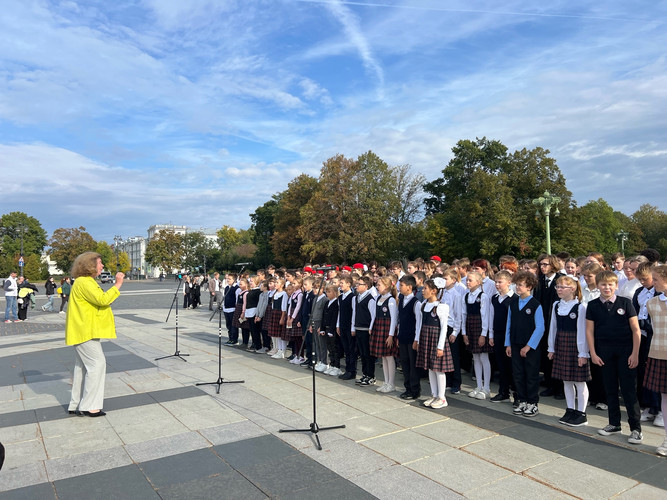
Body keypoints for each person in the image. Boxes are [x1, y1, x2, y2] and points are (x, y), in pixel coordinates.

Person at [586, 270, 643, 444]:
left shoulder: (625, 303)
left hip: (626, 351)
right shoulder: (593, 305)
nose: (607, 287)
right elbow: (589, 331)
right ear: (598, 286)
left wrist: (635, 353)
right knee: (609, 388)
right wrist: (593, 353)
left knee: (628, 391)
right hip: (604, 352)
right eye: (603, 284)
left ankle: (636, 429)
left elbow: (635, 330)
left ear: (616, 286)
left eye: (610, 284)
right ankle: (614, 423)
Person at [66, 252, 124, 417]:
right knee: (97, 365)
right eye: (100, 263)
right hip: (85, 331)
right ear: (90, 265)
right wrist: (118, 284)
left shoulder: (82, 282)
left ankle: (75, 403)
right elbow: (103, 300)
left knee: (82, 367)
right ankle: (89, 406)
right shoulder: (85, 282)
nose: (102, 266)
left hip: (83, 330)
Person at [547, 275, 590, 426]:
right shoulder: (556, 305)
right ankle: (570, 409)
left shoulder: (580, 307)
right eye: (557, 287)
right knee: (566, 379)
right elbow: (553, 327)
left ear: (572, 288)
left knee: (579, 381)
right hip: (561, 343)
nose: (558, 289)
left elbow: (582, 331)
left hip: (575, 345)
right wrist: (551, 347)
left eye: (562, 287)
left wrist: (583, 353)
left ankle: (581, 413)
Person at [505, 271, 545, 417]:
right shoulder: (513, 303)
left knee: (531, 374)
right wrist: (508, 343)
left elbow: (540, 327)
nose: (517, 287)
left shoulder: (535, 305)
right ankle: (521, 399)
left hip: (530, 347)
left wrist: (528, 346)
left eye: (521, 285)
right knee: (518, 373)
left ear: (529, 287)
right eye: (517, 284)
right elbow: (509, 323)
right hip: (515, 343)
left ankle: (532, 402)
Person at [414, 278, 453, 409]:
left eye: (425, 288)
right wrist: (417, 339)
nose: (423, 291)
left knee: (439, 369)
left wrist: (440, 346)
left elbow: (444, 328)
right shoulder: (424, 305)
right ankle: (434, 394)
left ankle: (442, 397)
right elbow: (420, 324)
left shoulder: (441, 307)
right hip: (426, 338)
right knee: (430, 367)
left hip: (436, 339)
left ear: (434, 291)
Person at [644, 265, 667, 456]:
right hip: (659, 354)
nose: (653, 282)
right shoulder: (651, 303)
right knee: (665, 398)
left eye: (656, 279)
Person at [462, 271, 492, 400]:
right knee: (475, 358)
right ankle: (478, 386)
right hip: (470, 328)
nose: (468, 282)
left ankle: (486, 388)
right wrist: (464, 332)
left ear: (478, 282)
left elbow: (485, 316)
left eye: (470, 280)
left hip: (480, 328)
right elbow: (464, 315)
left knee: (484, 358)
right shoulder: (466, 296)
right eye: (467, 280)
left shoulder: (483, 296)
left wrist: (483, 334)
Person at [488, 270, 517, 403]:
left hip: (510, 336)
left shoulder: (514, 299)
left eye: (500, 282)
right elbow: (491, 316)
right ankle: (503, 392)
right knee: (502, 365)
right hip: (498, 334)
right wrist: (491, 334)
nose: (497, 284)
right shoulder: (495, 298)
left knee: (512, 366)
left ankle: (518, 395)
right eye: (496, 282)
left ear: (509, 283)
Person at [370, 276, 398, 393]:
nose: (377, 287)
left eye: (379, 285)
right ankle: (386, 382)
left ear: (386, 287)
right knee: (383, 357)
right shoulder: (378, 298)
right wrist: (371, 327)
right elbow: (374, 315)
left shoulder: (391, 300)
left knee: (389, 356)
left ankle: (391, 383)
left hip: (387, 330)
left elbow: (393, 319)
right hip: (379, 327)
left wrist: (391, 335)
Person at [397, 275, 423, 399]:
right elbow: (400, 320)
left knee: (413, 365)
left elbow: (418, 323)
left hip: (412, 338)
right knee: (405, 363)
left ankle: (414, 389)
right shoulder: (401, 299)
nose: (399, 287)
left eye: (401, 285)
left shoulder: (416, 303)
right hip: (402, 336)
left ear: (409, 287)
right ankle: (407, 388)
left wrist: (416, 339)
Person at [352, 276, 376, 386]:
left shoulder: (370, 299)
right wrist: (353, 327)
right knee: (362, 353)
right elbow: (354, 313)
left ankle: (371, 375)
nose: (357, 286)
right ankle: (365, 374)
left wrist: (370, 328)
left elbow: (373, 315)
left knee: (367, 354)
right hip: (358, 328)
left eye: (359, 284)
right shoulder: (357, 297)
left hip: (366, 329)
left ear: (366, 286)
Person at [337, 276, 357, 381]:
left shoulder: (352, 297)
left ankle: (352, 371)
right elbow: (339, 312)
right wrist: (337, 325)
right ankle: (347, 369)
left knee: (351, 349)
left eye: (342, 283)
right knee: (346, 349)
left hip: (350, 326)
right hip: (343, 325)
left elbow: (354, 312)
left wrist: (353, 327)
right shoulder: (340, 297)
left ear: (348, 284)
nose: (340, 285)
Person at [322, 284, 342, 376]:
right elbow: (324, 316)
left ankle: (337, 366)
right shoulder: (327, 303)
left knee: (335, 348)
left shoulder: (336, 303)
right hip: (326, 328)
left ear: (334, 292)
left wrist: (331, 330)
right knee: (329, 348)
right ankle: (332, 364)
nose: (327, 293)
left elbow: (335, 317)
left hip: (332, 329)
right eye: (326, 292)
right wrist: (322, 328)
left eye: (329, 292)